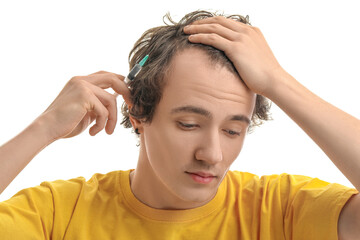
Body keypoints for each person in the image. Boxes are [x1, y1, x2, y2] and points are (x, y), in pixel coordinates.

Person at [0, 10, 359, 239]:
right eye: (189, 124)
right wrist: (44, 127)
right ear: (137, 112)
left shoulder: (281, 211)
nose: (212, 154)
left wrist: (278, 82)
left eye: (233, 130)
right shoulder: (57, 212)